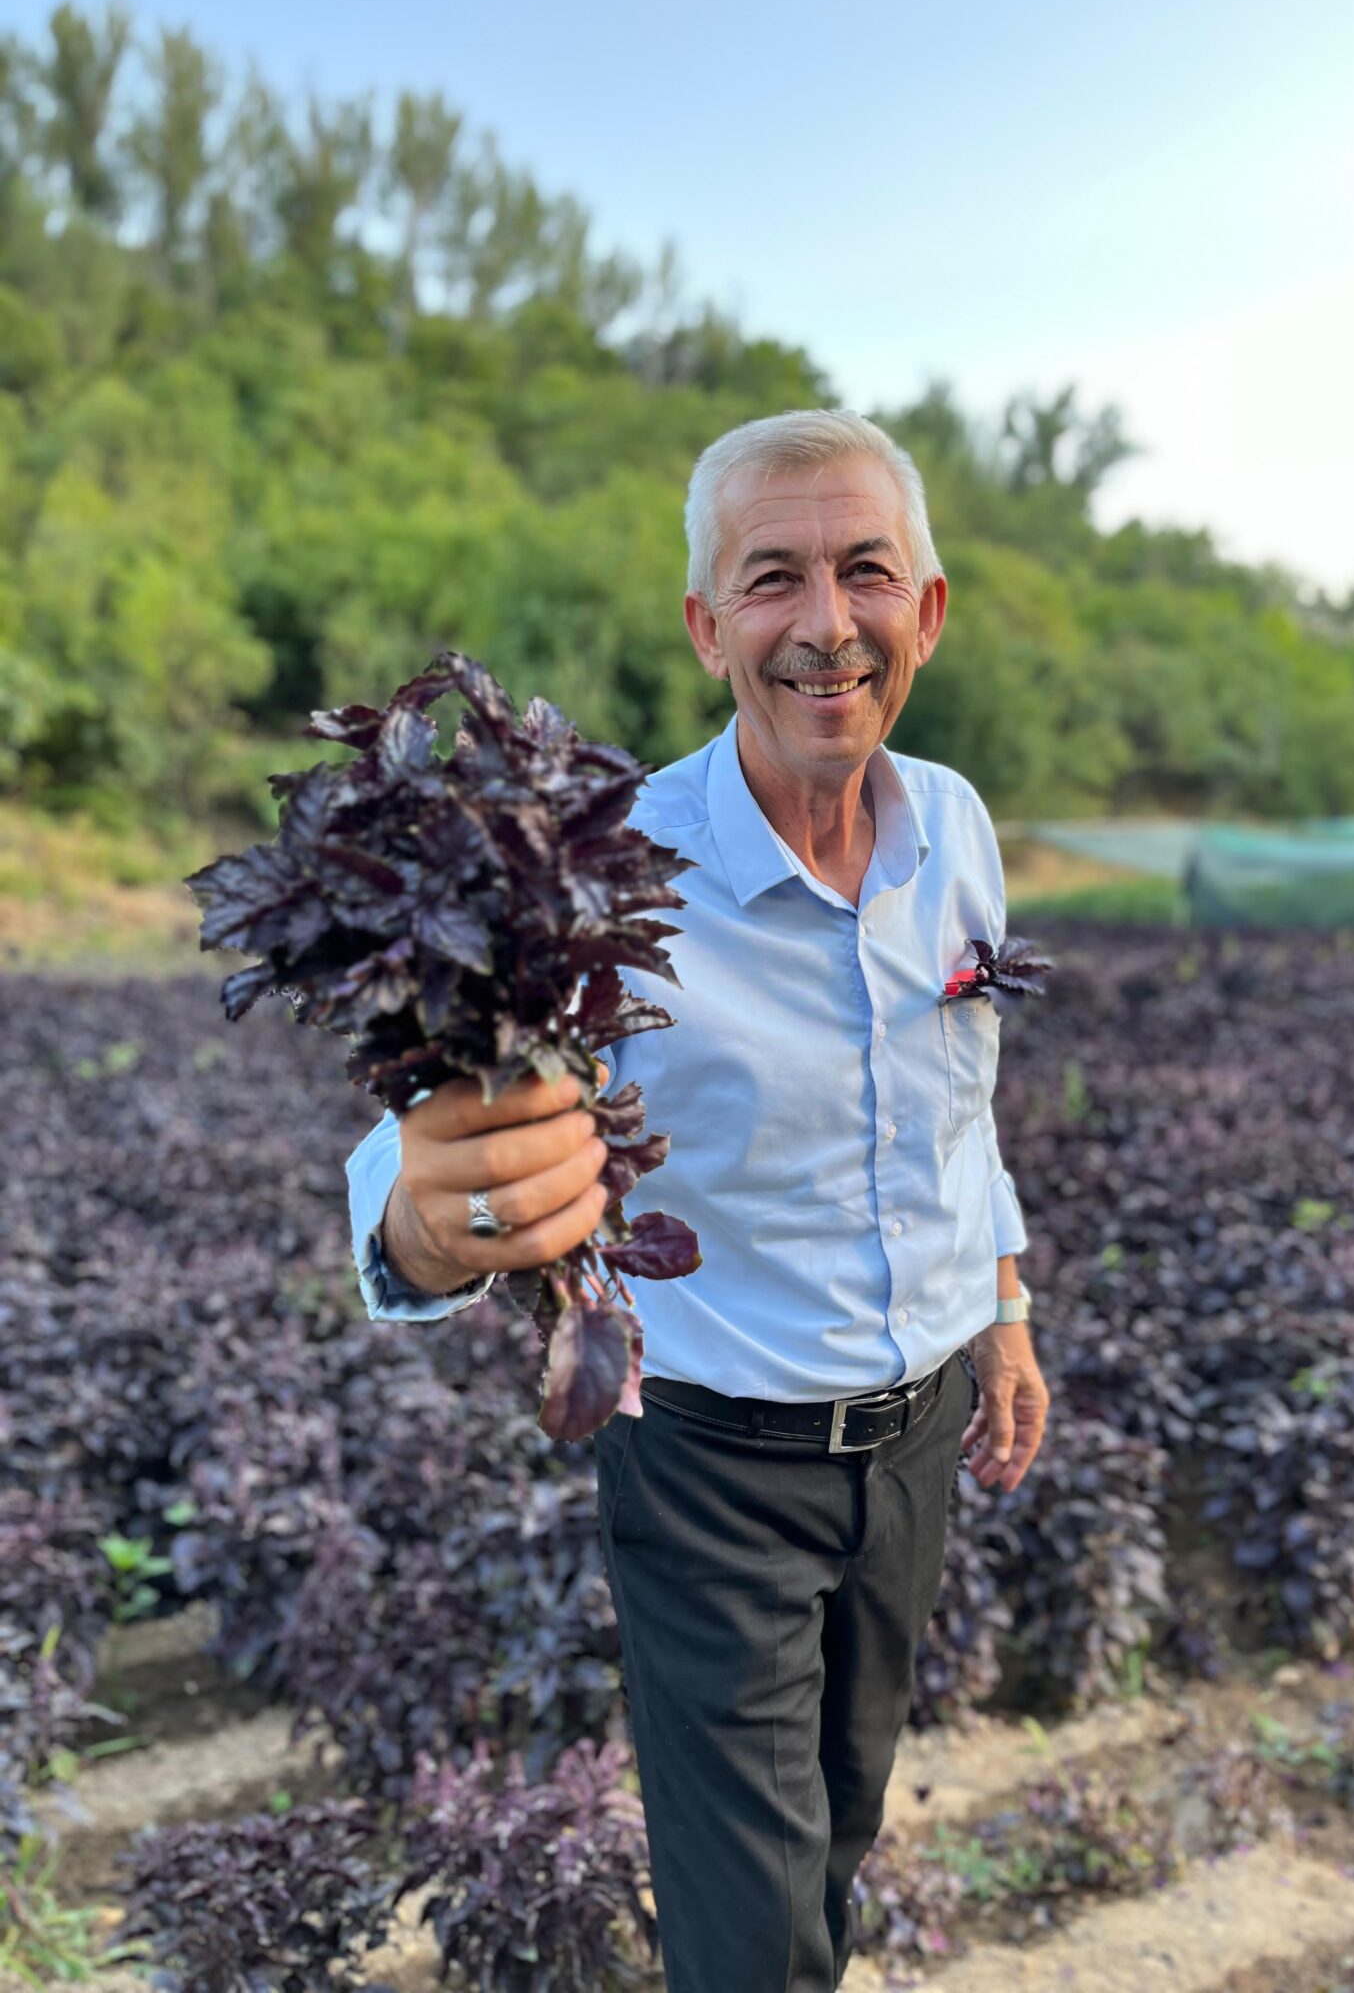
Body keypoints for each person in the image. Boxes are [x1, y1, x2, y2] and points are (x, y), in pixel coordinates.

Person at [345, 407, 1051, 1992]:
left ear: (924, 614)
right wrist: (429, 1213)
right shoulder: (609, 866)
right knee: (751, 1936)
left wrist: (1001, 1310)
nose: (825, 624)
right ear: (706, 627)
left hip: (919, 1437)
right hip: (715, 1462)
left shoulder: (958, 833)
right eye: (770, 578)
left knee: (836, 1845)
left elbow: (965, 1107)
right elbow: (427, 1153)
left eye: (866, 571)